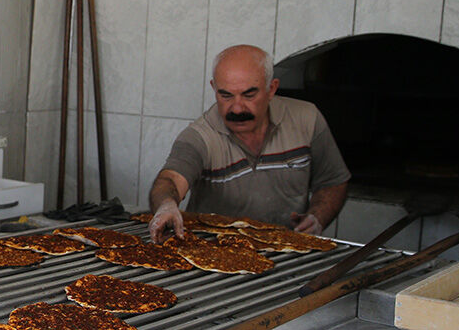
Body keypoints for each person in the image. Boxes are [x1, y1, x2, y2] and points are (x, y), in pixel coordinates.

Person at [148, 44, 349, 242]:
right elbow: (170, 180)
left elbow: (332, 181)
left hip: (287, 252)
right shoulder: (200, 136)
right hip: (214, 251)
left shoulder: (307, 119)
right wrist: (167, 204)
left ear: (271, 89)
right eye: (225, 95)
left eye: (249, 95)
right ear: (214, 88)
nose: (236, 108)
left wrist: (317, 216)